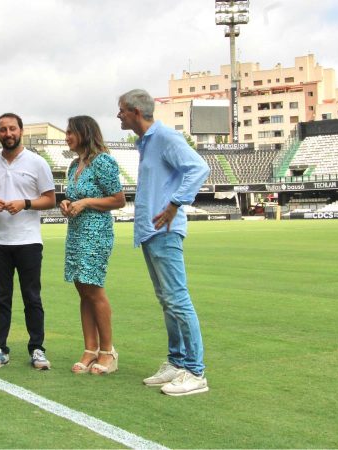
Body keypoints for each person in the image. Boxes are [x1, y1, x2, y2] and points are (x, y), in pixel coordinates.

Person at [117, 89, 210, 396]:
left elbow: (199, 168)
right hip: (150, 231)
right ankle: (177, 362)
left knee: (177, 299)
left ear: (134, 111)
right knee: (167, 300)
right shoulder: (146, 143)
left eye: (121, 111)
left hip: (165, 231)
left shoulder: (166, 138)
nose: (118, 115)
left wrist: (175, 203)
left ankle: (195, 372)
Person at [0, 113, 56, 370]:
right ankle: (0, 348)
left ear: (21, 131)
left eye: (12, 129)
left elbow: (50, 200)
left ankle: (37, 349)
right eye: (2, 130)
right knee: (2, 298)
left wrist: (25, 203)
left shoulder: (37, 162)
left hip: (29, 240)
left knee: (32, 297)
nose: (8, 134)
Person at [59, 116, 126, 375]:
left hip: (96, 233)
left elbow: (118, 200)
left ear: (84, 133)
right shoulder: (73, 165)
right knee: (82, 289)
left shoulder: (103, 162)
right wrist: (66, 203)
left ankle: (108, 351)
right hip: (76, 232)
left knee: (94, 289)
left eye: (70, 132)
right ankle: (90, 349)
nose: (67, 137)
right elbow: (74, 197)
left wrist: (86, 202)